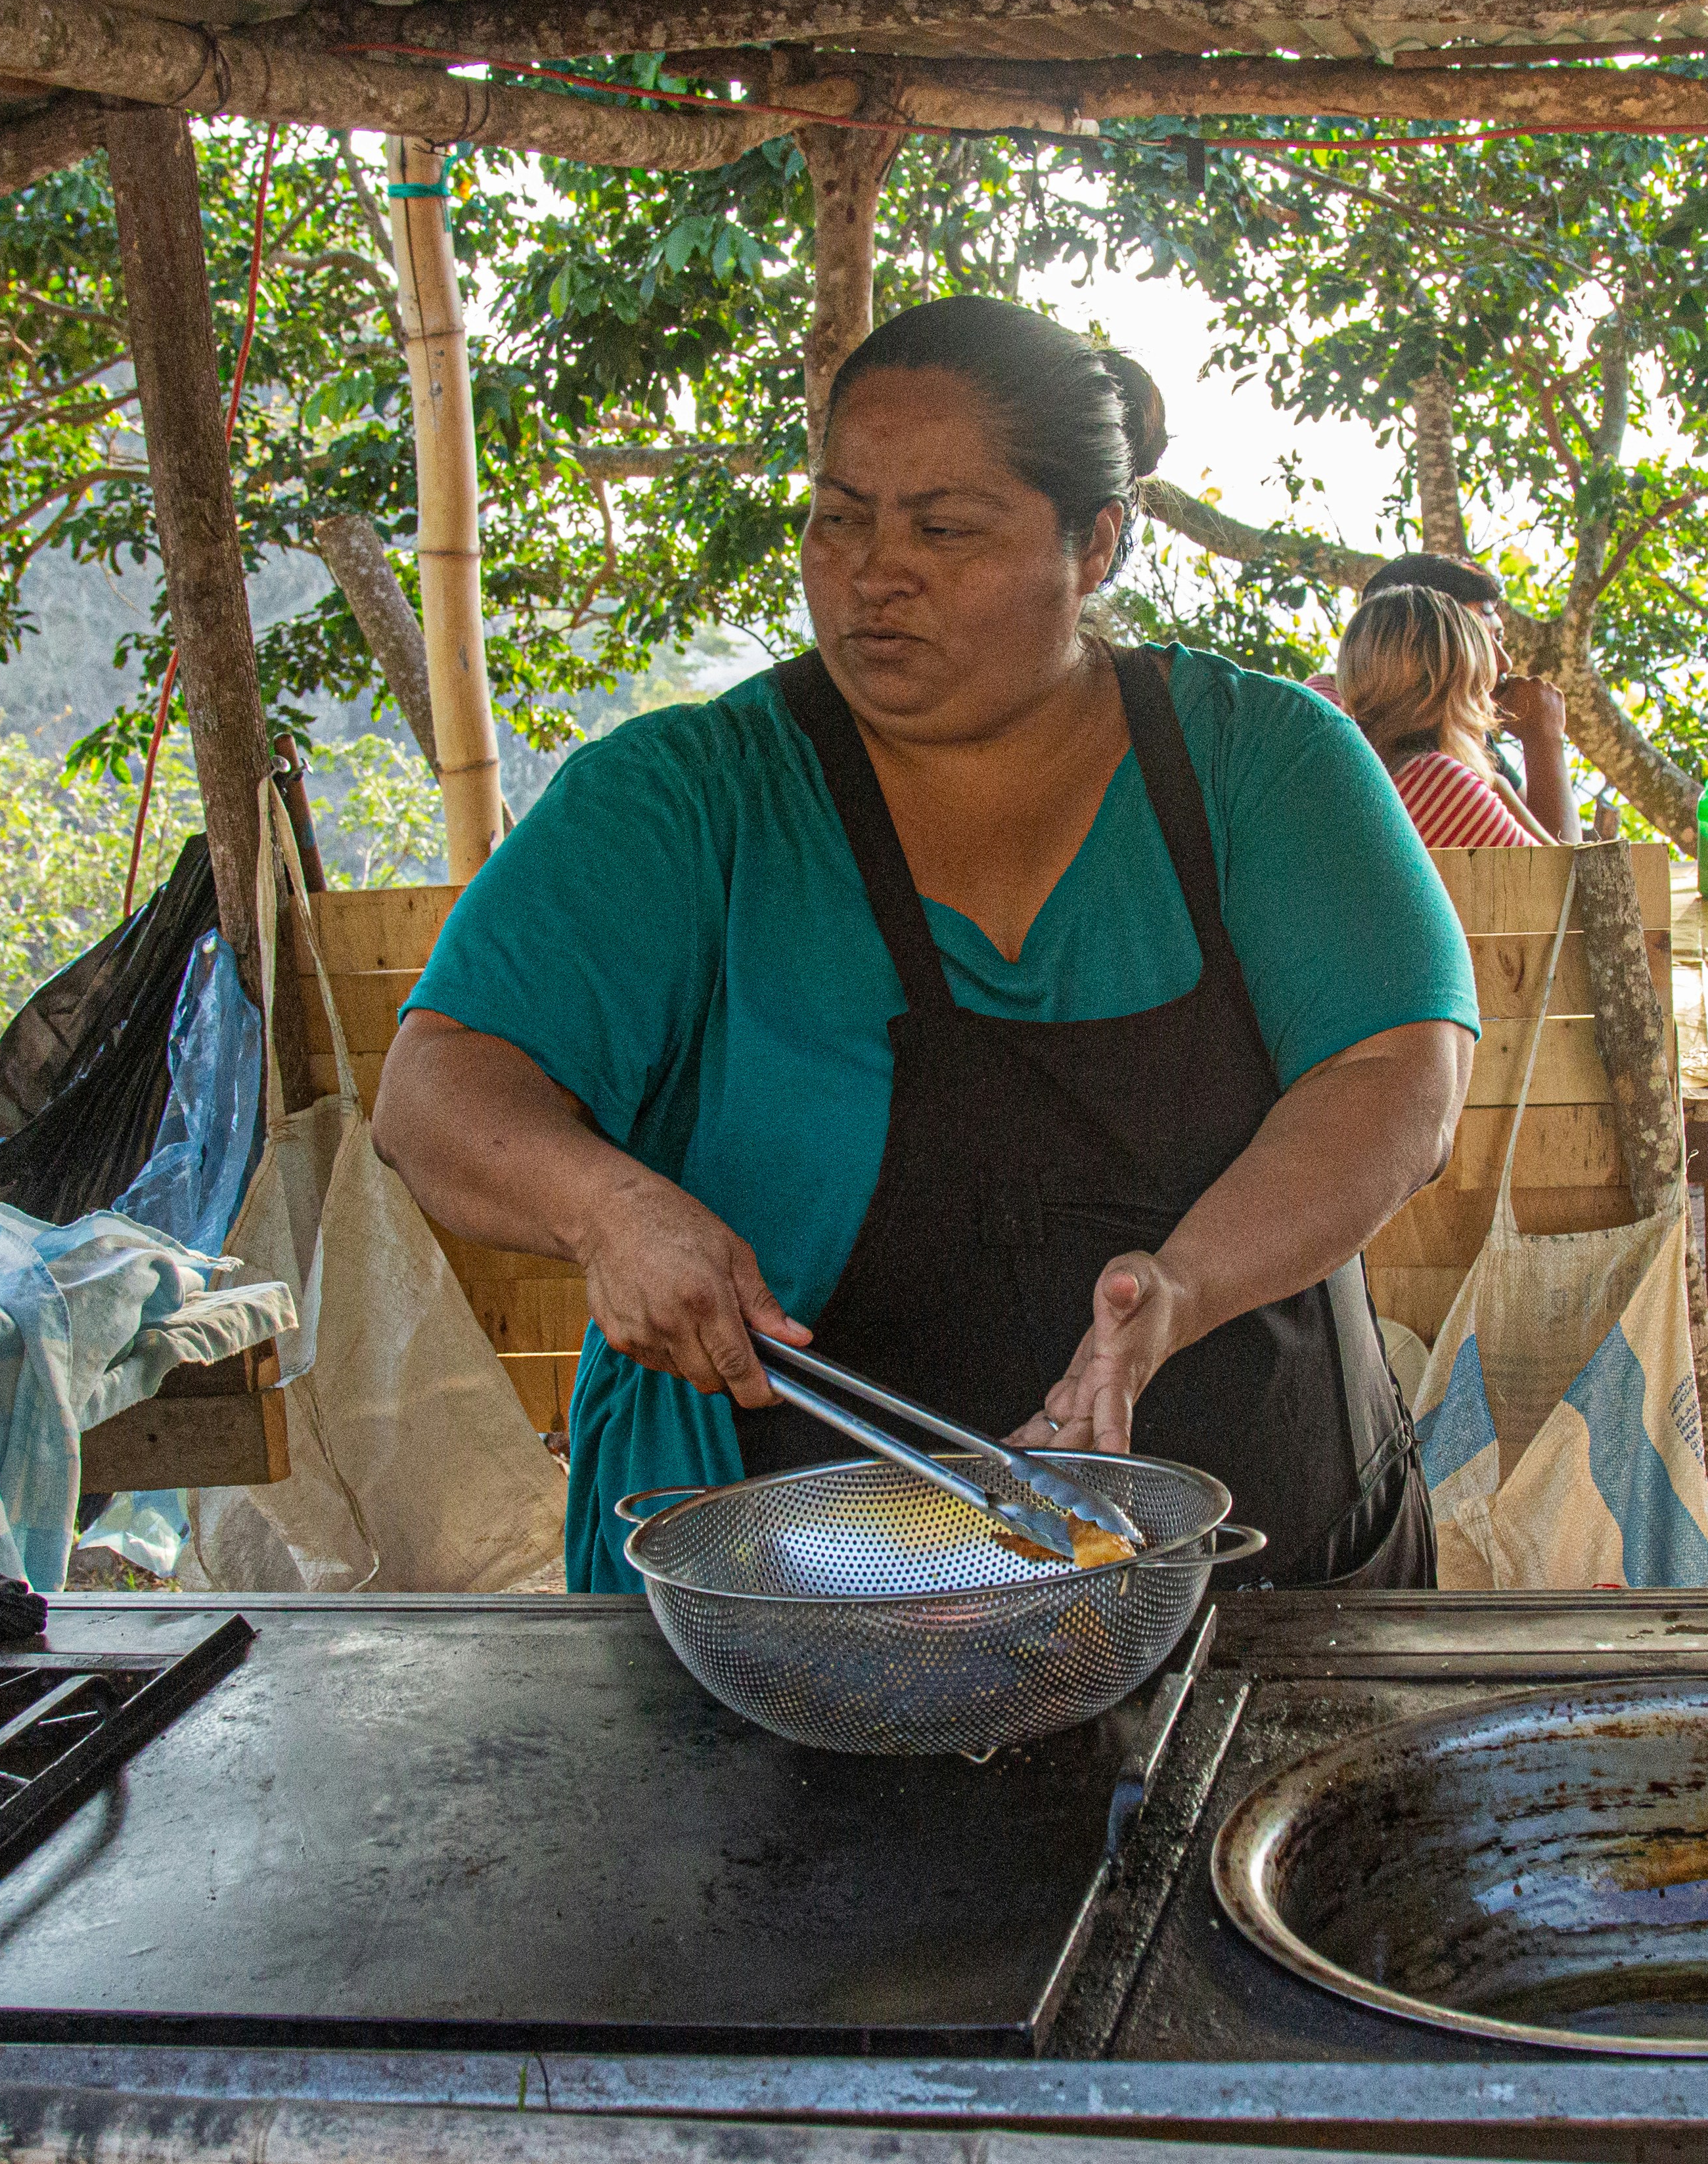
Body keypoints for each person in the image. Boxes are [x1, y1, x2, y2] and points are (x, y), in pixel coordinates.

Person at [376, 295, 1470, 1592]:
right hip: (793, 1609)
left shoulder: (1264, 759)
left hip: (1272, 1581)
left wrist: (1174, 1289)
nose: (874, 569)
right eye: (839, 515)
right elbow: (437, 1088)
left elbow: (1398, 1073)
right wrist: (601, 1203)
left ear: (1097, 543)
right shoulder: (689, 797)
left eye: (945, 527)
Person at [1313, 552, 1575, 840]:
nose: (1502, 663)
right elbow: (1566, 876)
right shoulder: (1325, 711)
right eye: (1476, 644)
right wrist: (1544, 739)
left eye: (1496, 640)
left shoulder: (1435, 751)